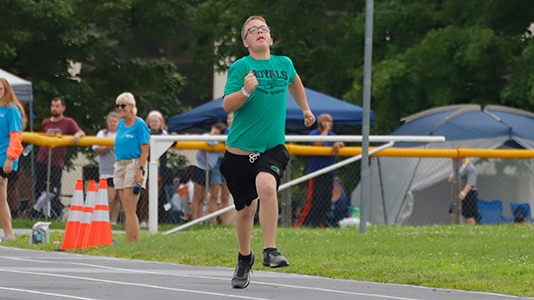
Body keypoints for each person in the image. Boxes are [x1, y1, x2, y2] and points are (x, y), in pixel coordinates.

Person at [219, 15, 315, 289]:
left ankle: (270, 249)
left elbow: (294, 82)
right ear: (246, 41)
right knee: (246, 211)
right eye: (253, 30)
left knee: (267, 188)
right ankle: (244, 257)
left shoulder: (283, 64)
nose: (259, 32)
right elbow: (227, 105)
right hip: (239, 154)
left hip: (272, 149)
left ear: (270, 39)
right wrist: (246, 92)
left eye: (263, 29)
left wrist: (305, 108)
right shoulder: (241, 68)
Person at [33, 97, 85, 219]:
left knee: (53, 189)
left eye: (57, 106)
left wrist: (77, 136)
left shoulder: (68, 122)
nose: (54, 109)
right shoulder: (46, 122)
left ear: (63, 108)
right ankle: (44, 215)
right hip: (42, 160)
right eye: (52, 106)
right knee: (39, 187)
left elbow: (80, 132)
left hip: (57, 162)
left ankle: (38, 209)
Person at [113, 92, 150, 242]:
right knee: (125, 206)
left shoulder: (139, 124)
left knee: (130, 208)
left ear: (132, 107)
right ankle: (130, 240)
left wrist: (140, 171)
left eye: (123, 105)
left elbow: (145, 149)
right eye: (118, 106)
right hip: (120, 165)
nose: (120, 109)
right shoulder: (120, 124)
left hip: (133, 164)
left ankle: (132, 242)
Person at [297, 113, 344, 227]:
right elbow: (318, 143)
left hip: (329, 172)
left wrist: (338, 144)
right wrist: (326, 130)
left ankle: (319, 223)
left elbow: (341, 142)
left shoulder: (332, 135)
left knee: (326, 200)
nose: (331, 125)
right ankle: (304, 224)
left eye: (331, 122)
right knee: (315, 200)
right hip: (316, 173)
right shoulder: (314, 134)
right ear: (321, 123)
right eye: (328, 122)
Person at [0, 78, 26, 242]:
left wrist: (10, 158)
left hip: (3, 156)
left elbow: (16, 136)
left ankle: (9, 234)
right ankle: (8, 234)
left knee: (1, 195)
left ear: (6, 90)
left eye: (0, 89)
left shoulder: (12, 110)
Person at [139, 110, 171, 227]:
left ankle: (152, 219)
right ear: (148, 122)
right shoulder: (144, 132)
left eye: (156, 121)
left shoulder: (165, 134)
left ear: (160, 122)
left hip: (159, 169)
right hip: (146, 167)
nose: (154, 123)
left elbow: (175, 142)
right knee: (146, 195)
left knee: (155, 195)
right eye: (152, 121)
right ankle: (143, 219)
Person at [190, 122, 226, 221]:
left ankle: (200, 219)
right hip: (200, 168)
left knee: (202, 198)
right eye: (213, 131)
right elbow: (211, 142)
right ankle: (194, 220)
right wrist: (218, 140)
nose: (214, 134)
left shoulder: (219, 141)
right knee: (196, 197)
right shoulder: (206, 136)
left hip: (209, 169)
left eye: (217, 133)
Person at [92, 112, 121, 225]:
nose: (113, 123)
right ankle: (102, 219)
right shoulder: (102, 134)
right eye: (110, 121)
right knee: (110, 197)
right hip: (107, 171)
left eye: (115, 121)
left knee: (118, 198)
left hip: (120, 170)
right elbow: (97, 149)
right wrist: (108, 145)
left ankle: (113, 222)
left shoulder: (121, 134)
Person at [448, 157, 478, 225]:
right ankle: (462, 228)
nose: (457, 161)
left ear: (464, 158)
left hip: (469, 193)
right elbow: (454, 175)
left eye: (459, 159)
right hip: (458, 192)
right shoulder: (457, 167)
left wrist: (464, 193)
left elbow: (471, 183)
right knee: (453, 213)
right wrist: (451, 177)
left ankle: (474, 231)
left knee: (469, 215)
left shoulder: (469, 168)